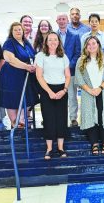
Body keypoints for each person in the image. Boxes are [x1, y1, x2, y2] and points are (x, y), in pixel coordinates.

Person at [75, 36, 104, 155]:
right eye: (89, 44)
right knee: (90, 117)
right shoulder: (81, 60)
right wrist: (90, 90)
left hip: (103, 91)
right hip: (88, 93)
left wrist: (100, 88)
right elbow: (79, 78)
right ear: (86, 47)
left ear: (98, 44)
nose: (91, 46)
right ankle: (94, 143)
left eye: (94, 43)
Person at [35, 32, 71, 160]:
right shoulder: (40, 56)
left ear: (58, 41)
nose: (53, 42)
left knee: (61, 118)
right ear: (46, 42)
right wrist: (49, 92)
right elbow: (39, 76)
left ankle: (60, 148)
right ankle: (49, 149)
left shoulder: (63, 57)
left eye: (55, 39)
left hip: (61, 89)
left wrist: (64, 90)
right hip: (46, 89)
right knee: (49, 118)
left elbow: (67, 75)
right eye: (50, 40)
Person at [0, 22, 39, 128]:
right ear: (11, 32)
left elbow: (34, 56)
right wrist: (26, 66)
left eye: (19, 29)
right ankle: (14, 122)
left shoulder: (26, 43)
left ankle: (21, 119)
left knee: (28, 97)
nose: (18, 31)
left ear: (23, 31)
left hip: (26, 75)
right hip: (11, 76)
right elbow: (11, 59)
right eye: (15, 30)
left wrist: (33, 66)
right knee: (12, 98)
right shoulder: (9, 43)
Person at [56, 14, 81, 127]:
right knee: (57, 96)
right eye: (59, 19)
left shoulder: (75, 36)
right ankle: (59, 117)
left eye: (64, 19)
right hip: (55, 73)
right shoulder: (52, 36)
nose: (62, 21)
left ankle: (73, 118)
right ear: (57, 21)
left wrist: (68, 66)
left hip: (70, 72)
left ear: (67, 21)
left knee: (71, 96)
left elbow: (77, 53)